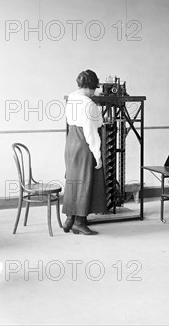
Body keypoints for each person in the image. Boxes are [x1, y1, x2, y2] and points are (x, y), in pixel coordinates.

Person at [62, 69, 107, 235]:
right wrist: (97, 155)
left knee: (73, 180)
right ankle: (80, 222)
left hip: (71, 141)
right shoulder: (88, 104)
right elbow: (90, 132)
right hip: (83, 143)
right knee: (85, 182)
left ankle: (69, 219)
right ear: (91, 86)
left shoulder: (72, 97)